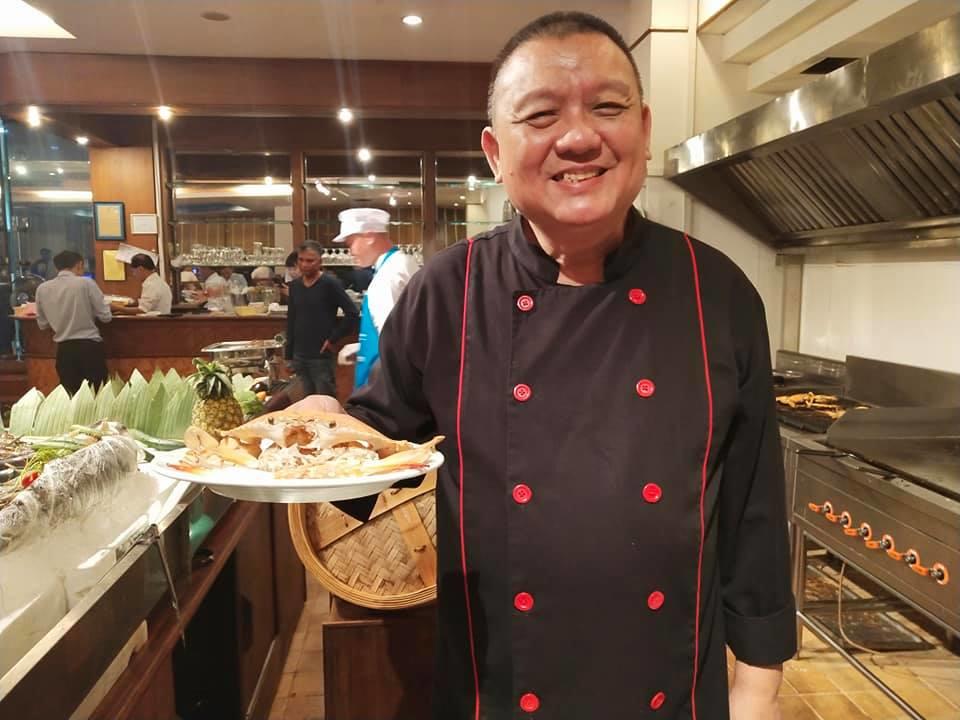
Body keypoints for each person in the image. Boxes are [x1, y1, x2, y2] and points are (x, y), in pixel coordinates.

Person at [292, 12, 795, 720]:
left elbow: (753, 502)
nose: (580, 137)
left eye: (608, 107)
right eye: (541, 115)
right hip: (495, 689)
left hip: (671, 689)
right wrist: (323, 433)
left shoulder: (718, 291)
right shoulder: (449, 290)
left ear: (645, 128)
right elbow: (377, 452)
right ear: (495, 152)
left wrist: (759, 682)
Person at [331, 208, 419, 389]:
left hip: (383, 387)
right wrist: (362, 347)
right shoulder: (399, 262)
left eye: (351, 243)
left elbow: (393, 340)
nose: (351, 252)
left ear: (369, 236)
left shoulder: (389, 274)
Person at [285, 240, 359, 397]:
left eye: (310, 261)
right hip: (299, 354)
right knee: (304, 402)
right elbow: (291, 318)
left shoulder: (330, 284)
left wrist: (333, 339)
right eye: (301, 260)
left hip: (321, 354)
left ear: (320, 262)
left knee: (325, 400)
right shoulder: (295, 286)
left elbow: (352, 313)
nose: (304, 265)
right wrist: (288, 354)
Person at [35, 250, 111, 393]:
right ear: (80, 264)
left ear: (56, 267)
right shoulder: (86, 283)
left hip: (64, 351)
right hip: (90, 348)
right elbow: (106, 317)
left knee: (71, 396)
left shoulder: (42, 289)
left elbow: (42, 324)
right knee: (97, 395)